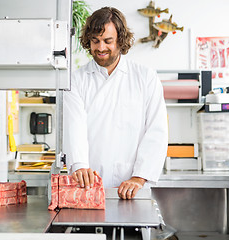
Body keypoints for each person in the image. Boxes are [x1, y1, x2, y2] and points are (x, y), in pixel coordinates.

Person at [63, 7, 168, 199]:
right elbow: (73, 126)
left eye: (107, 41)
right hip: (88, 188)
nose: (100, 48)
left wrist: (139, 177)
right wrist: (79, 165)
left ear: (120, 40)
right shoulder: (75, 80)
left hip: (133, 189)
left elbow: (156, 130)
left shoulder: (145, 77)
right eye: (95, 41)